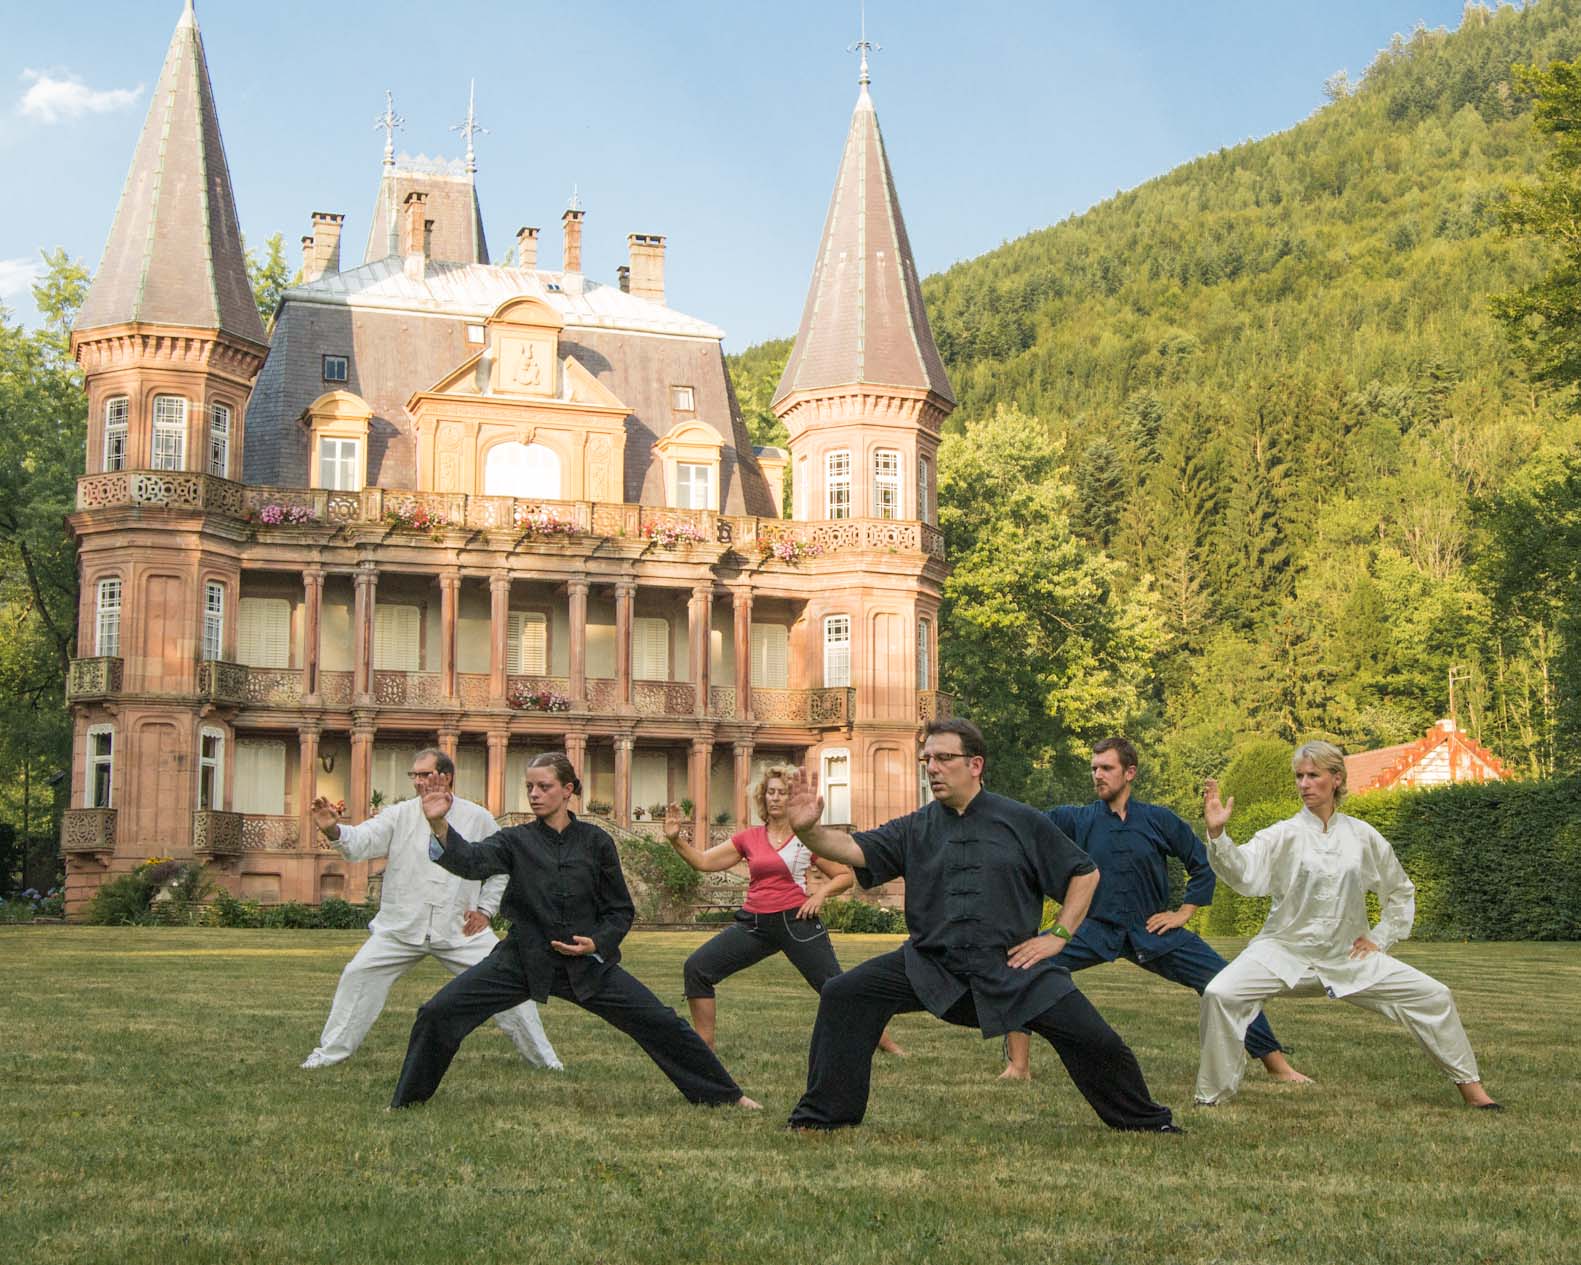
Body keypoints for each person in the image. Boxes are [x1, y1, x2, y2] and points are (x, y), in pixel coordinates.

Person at [785, 717, 1178, 1133]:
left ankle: (1147, 1122)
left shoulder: (1021, 820)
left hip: (1013, 969)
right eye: (927, 760)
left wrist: (1058, 936)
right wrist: (809, 830)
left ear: (975, 765)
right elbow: (850, 848)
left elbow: (1085, 873)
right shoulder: (916, 826)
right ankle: (823, 1116)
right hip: (929, 966)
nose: (932, 768)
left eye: (943, 758)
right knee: (844, 994)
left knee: (1097, 1041)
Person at [390, 751, 760, 1111]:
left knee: (661, 1021)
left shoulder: (597, 842)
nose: (534, 794)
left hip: (586, 965)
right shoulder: (514, 840)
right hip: (523, 959)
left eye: (544, 786)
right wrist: (439, 825)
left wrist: (596, 943)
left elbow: (620, 910)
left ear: (568, 790)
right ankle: (407, 1101)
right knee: (438, 1012)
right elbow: (471, 861)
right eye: (529, 787)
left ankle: (725, 1095)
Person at [1196, 740, 1500, 1109]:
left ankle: (1474, 1092)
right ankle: (1211, 1097)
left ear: (1336, 778)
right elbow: (1243, 872)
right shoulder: (1283, 834)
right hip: (1282, 951)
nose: (1304, 784)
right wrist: (1218, 836)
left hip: (1348, 957)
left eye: (1313, 775)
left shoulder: (1362, 836)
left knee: (1433, 995)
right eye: (1299, 776)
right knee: (1221, 993)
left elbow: (1399, 890)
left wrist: (1380, 938)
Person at [1000, 737, 1306, 1086]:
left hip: (1151, 930)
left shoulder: (1159, 820)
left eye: (1106, 768)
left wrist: (1184, 913)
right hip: (1094, 929)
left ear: (1129, 772)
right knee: (1024, 965)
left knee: (1227, 982)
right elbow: (1026, 825)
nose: (1098, 775)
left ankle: (1278, 1066)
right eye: (1094, 768)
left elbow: (1202, 863)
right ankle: (1018, 1067)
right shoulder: (1076, 818)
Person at [301, 747, 560, 1072]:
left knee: (509, 984)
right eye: (415, 775)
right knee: (358, 976)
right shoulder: (399, 814)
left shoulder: (477, 817)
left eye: (425, 774)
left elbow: (501, 868)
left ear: (446, 777)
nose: (418, 781)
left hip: (461, 930)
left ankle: (546, 1061)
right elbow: (361, 842)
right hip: (400, 928)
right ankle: (328, 1055)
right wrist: (333, 830)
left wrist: (485, 910)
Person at [662, 766, 904, 1055]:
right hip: (754, 925)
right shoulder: (748, 838)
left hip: (797, 923)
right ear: (763, 798)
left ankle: (886, 1043)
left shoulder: (807, 838)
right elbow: (703, 861)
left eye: (782, 793)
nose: (775, 798)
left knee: (836, 987)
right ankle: (705, 1046)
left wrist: (819, 895)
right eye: (770, 792)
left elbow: (844, 876)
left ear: (792, 798)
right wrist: (676, 839)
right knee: (697, 968)